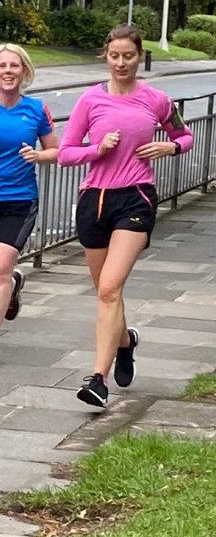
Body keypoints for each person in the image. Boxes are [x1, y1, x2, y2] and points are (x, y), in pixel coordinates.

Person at [58, 25, 193, 410]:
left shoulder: (156, 99)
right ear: (106, 55)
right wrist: (95, 150)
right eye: (115, 56)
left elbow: (185, 137)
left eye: (128, 56)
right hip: (95, 201)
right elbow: (66, 152)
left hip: (135, 199)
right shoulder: (90, 100)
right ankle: (126, 342)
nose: (121, 63)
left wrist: (169, 146)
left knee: (109, 288)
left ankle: (98, 379)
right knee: (107, 291)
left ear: (139, 57)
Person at [0, 44, 59, 369]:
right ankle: (14, 284)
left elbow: (55, 151)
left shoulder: (36, 109)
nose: (8, 71)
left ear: (24, 72)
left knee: (1, 270)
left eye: (14, 66)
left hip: (19, 199)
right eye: (2, 65)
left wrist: (37, 156)